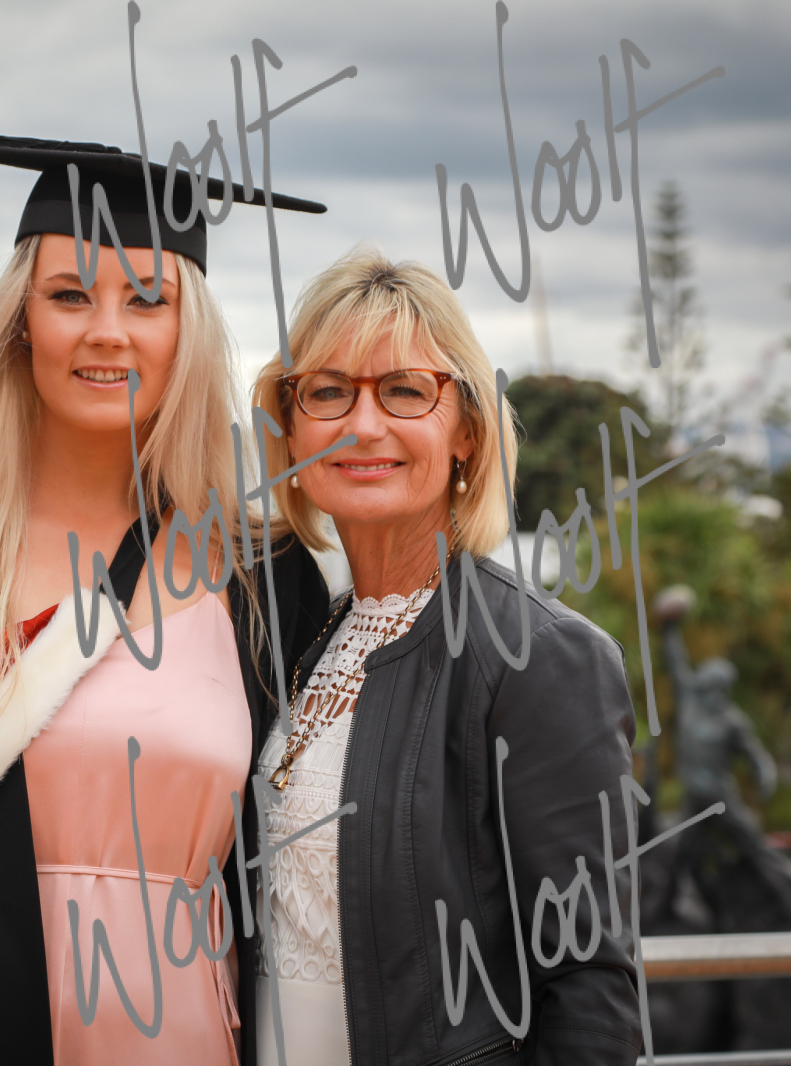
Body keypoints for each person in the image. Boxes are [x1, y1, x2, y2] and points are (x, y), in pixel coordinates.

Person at [0, 136, 330, 1066]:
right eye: (70, 295)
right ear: (19, 321)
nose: (108, 330)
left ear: (188, 330)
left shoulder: (264, 576)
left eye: (148, 299)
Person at [248, 249, 641, 1065]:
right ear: (291, 428)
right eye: (328, 391)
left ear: (466, 429)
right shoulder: (301, 635)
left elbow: (589, 990)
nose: (363, 424)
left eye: (404, 390)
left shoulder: (537, 655)